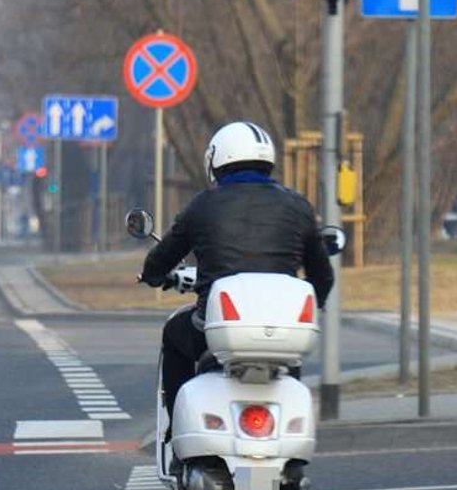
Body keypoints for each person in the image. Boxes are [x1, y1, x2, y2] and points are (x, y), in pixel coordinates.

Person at [139, 120, 334, 437]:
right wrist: (316, 302)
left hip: (217, 331)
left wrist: (153, 275)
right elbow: (322, 275)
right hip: (281, 330)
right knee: (289, 359)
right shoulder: (299, 207)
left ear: (216, 159)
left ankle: (177, 430)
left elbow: (163, 257)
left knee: (174, 334)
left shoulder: (203, 205)